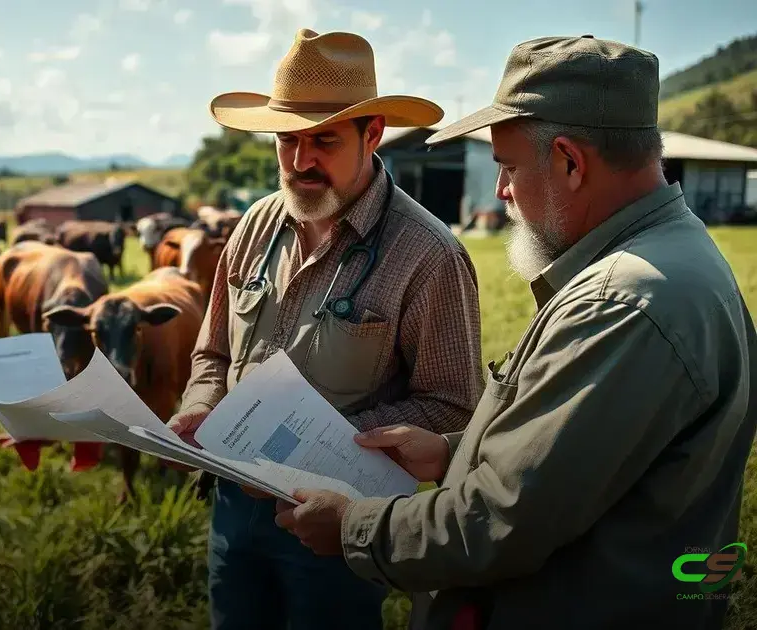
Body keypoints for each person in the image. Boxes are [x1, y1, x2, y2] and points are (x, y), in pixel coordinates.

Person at [272, 34, 757, 629]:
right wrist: (450, 454)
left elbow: (500, 522)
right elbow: (575, 462)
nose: (500, 193)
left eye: (507, 168)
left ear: (570, 163)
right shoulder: (669, 263)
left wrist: (352, 527)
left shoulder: (621, 303)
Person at [166, 28, 485, 630]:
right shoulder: (256, 224)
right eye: (286, 141)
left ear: (374, 134)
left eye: (324, 141)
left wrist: (325, 441)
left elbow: (450, 407)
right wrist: (201, 403)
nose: (299, 161)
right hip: (233, 506)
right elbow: (211, 350)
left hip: (339, 522)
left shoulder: (427, 255)